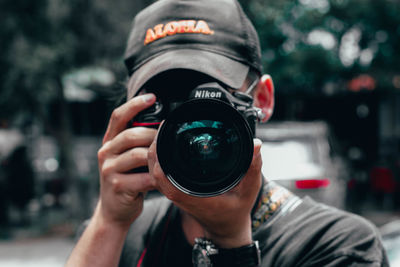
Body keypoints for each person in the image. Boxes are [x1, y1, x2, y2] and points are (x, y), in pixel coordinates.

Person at [66, 0, 389, 266]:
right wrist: (108, 221)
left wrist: (229, 239)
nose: (187, 123)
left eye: (208, 101)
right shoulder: (124, 234)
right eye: (162, 103)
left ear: (262, 100)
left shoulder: (338, 246)